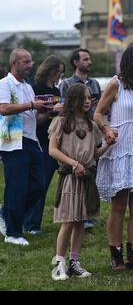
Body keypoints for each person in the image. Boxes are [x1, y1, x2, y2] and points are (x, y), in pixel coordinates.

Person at [94, 45, 133, 271]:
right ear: (132, 60)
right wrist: (106, 130)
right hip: (120, 147)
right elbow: (98, 113)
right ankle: (115, 254)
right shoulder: (116, 84)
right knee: (119, 203)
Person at [48, 83, 109, 280]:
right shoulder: (61, 122)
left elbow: (94, 155)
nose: (88, 101)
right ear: (74, 99)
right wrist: (74, 164)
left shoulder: (91, 126)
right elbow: (53, 150)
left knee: (81, 220)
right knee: (68, 220)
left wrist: (108, 145)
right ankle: (59, 262)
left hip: (86, 179)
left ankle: (75, 261)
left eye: (90, 97)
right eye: (84, 97)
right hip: (70, 178)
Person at [0, 49, 52, 245]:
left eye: (31, 61)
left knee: (39, 186)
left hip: (31, 141)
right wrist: (31, 105)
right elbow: (3, 108)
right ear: (15, 63)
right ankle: (13, 234)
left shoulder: (28, 87)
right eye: (26, 61)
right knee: (17, 188)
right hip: (12, 141)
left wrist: (48, 111)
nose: (31, 65)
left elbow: (35, 119)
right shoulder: (4, 84)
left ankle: (5, 213)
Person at [23, 55, 65, 235]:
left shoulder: (56, 91)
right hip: (40, 139)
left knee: (47, 184)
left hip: (55, 139)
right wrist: (49, 110)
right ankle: (31, 224)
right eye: (58, 71)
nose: (59, 76)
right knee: (40, 183)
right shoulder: (35, 89)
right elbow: (36, 120)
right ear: (50, 70)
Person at [60, 48, 101, 229]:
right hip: (74, 133)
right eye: (85, 59)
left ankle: (88, 212)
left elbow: (100, 108)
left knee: (92, 171)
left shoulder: (95, 84)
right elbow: (62, 107)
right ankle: (73, 213)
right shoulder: (67, 83)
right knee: (76, 173)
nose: (89, 62)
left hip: (92, 129)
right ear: (76, 62)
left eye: (90, 58)